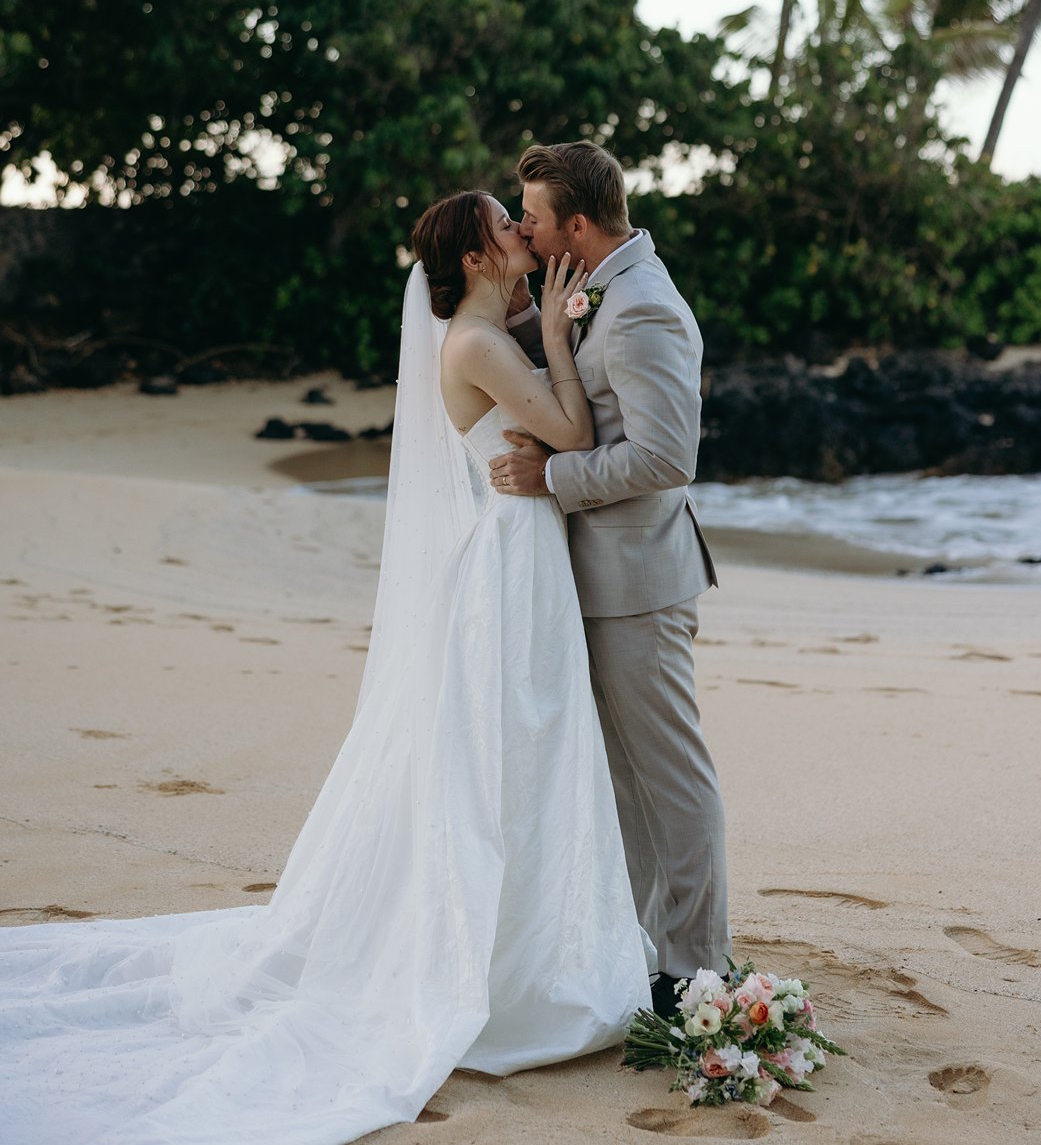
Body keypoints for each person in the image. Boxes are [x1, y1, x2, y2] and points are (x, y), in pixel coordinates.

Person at [0, 190, 650, 1144]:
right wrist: (556, 332)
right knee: (511, 750)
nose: (522, 229)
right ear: (476, 257)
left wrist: (544, 327)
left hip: (523, 552)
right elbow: (575, 436)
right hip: (511, 559)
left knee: (529, 748)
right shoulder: (476, 345)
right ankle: (512, 968)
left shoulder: (481, 333)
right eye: (504, 222)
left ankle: (534, 949)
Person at [489, 140, 731, 1018]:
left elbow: (668, 458)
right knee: (625, 781)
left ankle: (698, 967)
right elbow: (580, 381)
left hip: (640, 583)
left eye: (534, 219)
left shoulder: (643, 310)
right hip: (596, 577)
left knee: (670, 776)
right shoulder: (591, 284)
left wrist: (551, 476)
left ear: (579, 226)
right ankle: (645, 953)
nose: (524, 229)